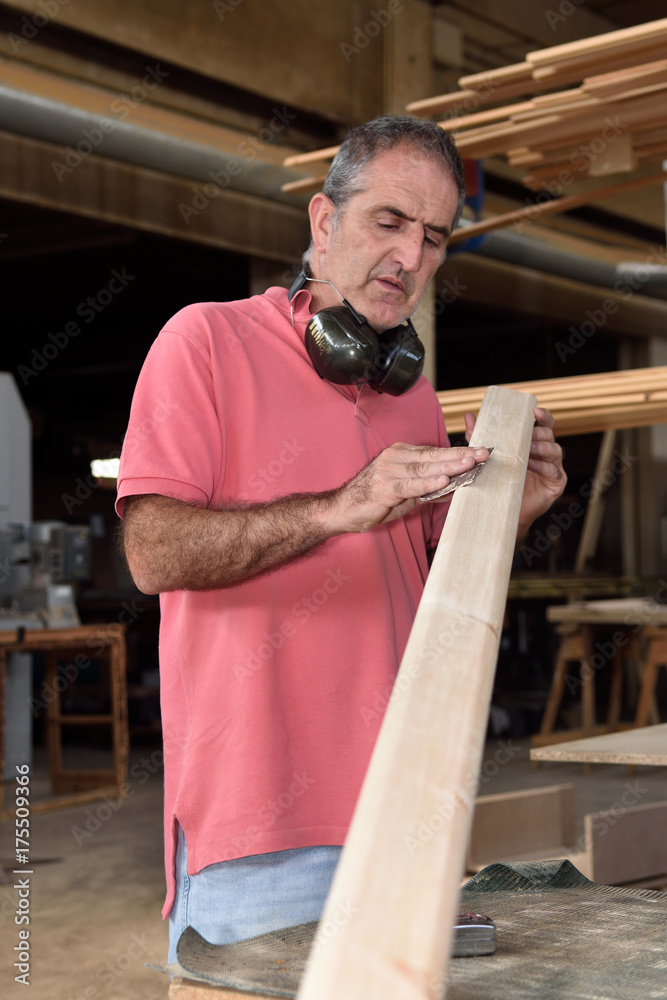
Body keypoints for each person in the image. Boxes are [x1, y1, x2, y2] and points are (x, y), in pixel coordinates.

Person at [116, 115, 566, 962]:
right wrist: (336, 506)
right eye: (388, 222)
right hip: (262, 831)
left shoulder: (409, 394)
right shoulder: (205, 343)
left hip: (404, 815)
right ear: (323, 222)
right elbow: (152, 554)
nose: (409, 257)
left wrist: (517, 510)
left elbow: (431, 587)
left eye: (433, 238)